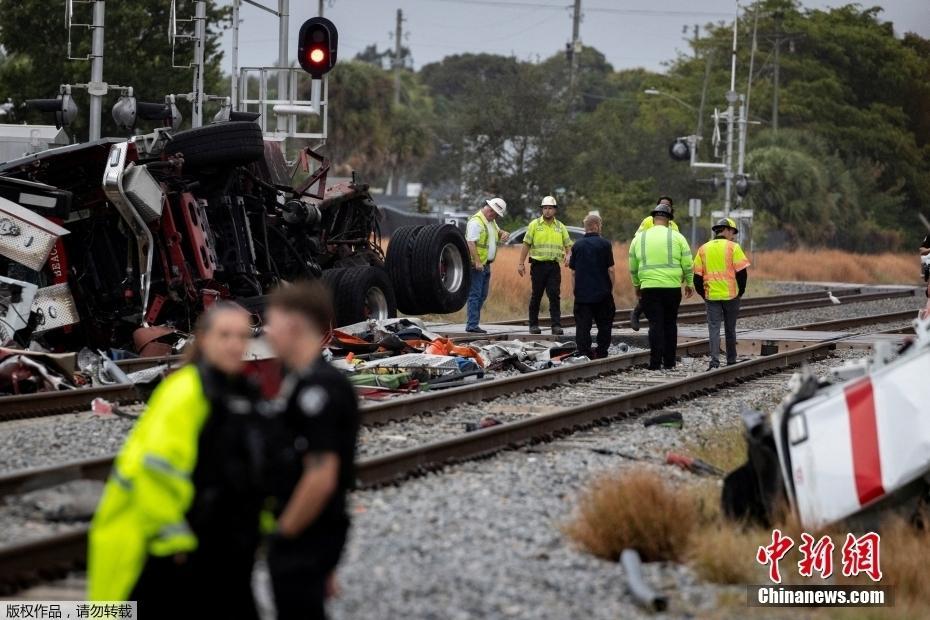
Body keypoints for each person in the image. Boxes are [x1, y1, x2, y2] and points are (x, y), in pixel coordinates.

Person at [88, 303, 262, 619]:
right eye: (225, 335)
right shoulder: (185, 391)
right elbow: (155, 472)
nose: (235, 344)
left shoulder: (241, 392)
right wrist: (176, 543)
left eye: (242, 336)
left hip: (222, 546)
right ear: (204, 339)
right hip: (171, 548)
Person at [262, 280, 360, 620]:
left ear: (293, 323)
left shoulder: (319, 389)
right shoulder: (301, 379)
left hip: (306, 531)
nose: (267, 332)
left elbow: (321, 475)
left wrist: (282, 534)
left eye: (271, 322)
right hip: (311, 532)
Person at [628, 203, 694, 370]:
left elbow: (633, 266)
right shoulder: (678, 237)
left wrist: (637, 285)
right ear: (669, 220)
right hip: (672, 288)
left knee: (655, 324)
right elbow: (687, 263)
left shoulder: (639, 238)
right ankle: (670, 362)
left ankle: (655, 363)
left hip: (649, 287)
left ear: (653, 218)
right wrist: (689, 282)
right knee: (670, 324)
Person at [693, 217, 750, 370]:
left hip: (711, 296)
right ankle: (731, 360)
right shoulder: (733, 247)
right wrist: (740, 292)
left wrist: (703, 294)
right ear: (726, 230)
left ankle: (714, 361)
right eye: (733, 232)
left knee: (714, 329)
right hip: (731, 296)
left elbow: (697, 277)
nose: (733, 235)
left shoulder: (703, 249)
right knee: (730, 329)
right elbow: (742, 273)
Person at [517, 195, 573, 335]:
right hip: (538, 266)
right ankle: (533, 325)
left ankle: (556, 326)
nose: (547, 211)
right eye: (545, 208)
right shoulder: (534, 225)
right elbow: (526, 244)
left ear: (555, 210)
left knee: (554, 295)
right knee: (536, 295)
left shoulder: (560, 227)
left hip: (554, 266)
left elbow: (568, 245)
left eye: (550, 208)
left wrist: (568, 255)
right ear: (542, 209)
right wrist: (520, 263)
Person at [629, 196, 679, 331]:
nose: (664, 207)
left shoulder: (674, 226)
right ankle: (636, 313)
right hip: (650, 261)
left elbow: (678, 245)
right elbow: (637, 238)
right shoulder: (648, 221)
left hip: (667, 265)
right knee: (648, 293)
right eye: (662, 204)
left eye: (667, 205)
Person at [569, 213, 615, 358]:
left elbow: (573, 273)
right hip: (603, 294)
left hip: (583, 295)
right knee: (605, 324)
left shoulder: (577, 246)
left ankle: (584, 352)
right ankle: (602, 351)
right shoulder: (605, 245)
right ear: (596, 226)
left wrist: (576, 291)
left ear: (586, 227)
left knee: (583, 326)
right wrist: (610, 288)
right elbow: (611, 269)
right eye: (600, 225)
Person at [465, 197, 510, 334]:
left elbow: (497, 232)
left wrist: (503, 233)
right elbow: (470, 243)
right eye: (495, 214)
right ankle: (472, 325)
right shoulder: (476, 222)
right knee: (475, 295)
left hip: (486, 265)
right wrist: (478, 261)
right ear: (490, 210)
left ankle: (474, 323)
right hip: (477, 265)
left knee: (482, 295)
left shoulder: (491, 221)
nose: (495, 216)